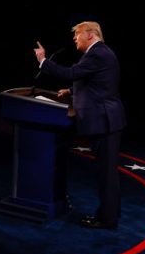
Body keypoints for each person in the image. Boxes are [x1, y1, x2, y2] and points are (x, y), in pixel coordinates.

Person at [34, 21, 126, 229]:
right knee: (106, 173)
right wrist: (71, 91)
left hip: (105, 122)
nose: (75, 38)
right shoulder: (99, 54)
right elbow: (97, 83)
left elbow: (71, 73)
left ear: (91, 35)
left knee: (106, 173)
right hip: (105, 121)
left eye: (77, 34)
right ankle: (109, 214)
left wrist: (43, 61)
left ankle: (107, 219)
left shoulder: (98, 53)